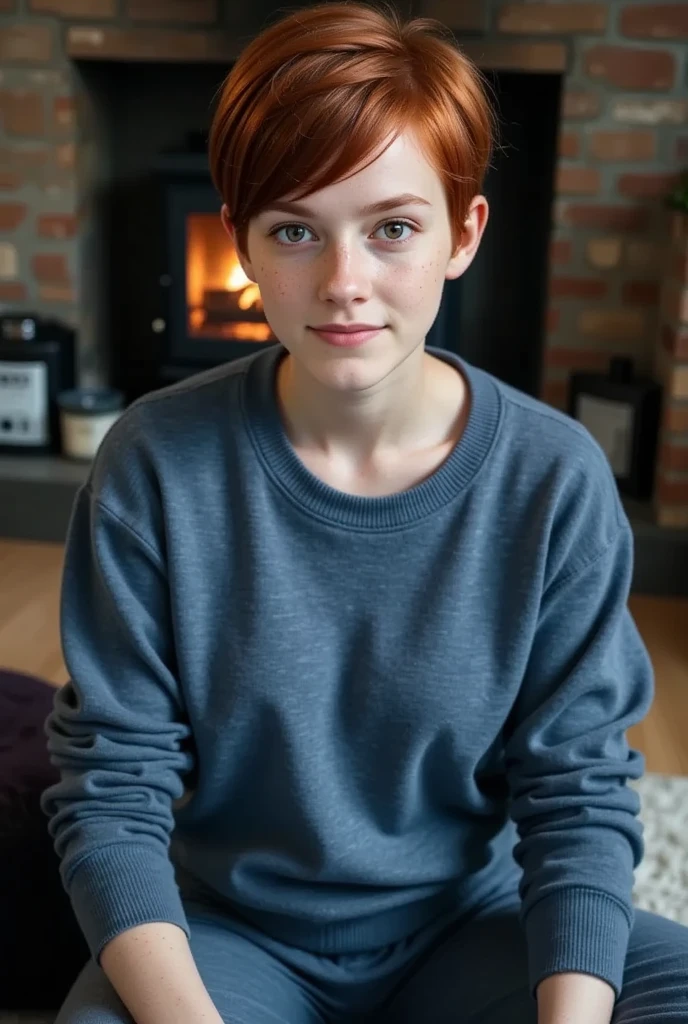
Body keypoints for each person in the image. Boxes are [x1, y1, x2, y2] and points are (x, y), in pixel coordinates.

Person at [42, 3, 688, 1023]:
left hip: (471, 927)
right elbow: (111, 787)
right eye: (295, 230)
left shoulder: (552, 477)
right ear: (242, 245)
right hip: (233, 936)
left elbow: (576, 792)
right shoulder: (155, 461)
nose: (345, 284)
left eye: (392, 228)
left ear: (461, 234)